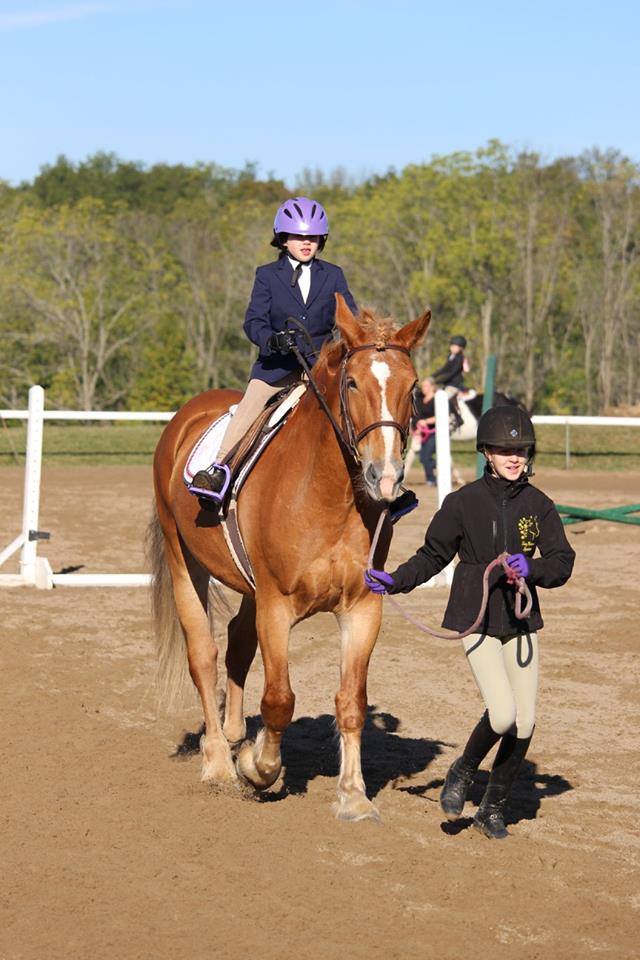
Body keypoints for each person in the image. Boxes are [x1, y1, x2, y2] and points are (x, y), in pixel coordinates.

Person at [363, 405, 575, 839]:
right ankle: (462, 770)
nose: (513, 457)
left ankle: (491, 808)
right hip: (475, 618)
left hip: (520, 621)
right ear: (486, 453)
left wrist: (531, 570)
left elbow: (562, 561)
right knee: (502, 716)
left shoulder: (540, 505)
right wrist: (397, 580)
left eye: (520, 450)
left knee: (526, 721)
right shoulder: (461, 503)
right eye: (503, 449)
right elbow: (432, 556)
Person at [189, 197, 357, 502]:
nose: (307, 243)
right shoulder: (266, 275)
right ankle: (219, 470)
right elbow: (253, 321)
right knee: (249, 408)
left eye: (313, 237)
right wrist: (273, 340)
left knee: (358, 408)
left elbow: (350, 318)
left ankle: (374, 484)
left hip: (320, 368)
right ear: (283, 239)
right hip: (276, 368)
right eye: (299, 236)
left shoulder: (334, 275)